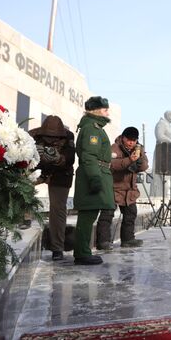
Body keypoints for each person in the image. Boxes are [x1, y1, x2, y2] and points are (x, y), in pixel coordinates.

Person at [72, 96, 115, 265]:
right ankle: (82, 253)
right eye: (105, 109)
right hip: (94, 173)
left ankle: (82, 251)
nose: (107, 112)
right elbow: (89, 155)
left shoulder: (95, 127)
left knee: (89, 215)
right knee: (87, 215)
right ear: (95, 111)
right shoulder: (92, 128)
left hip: (98, 172)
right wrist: (95, 178)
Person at [29, 116, 75, 261]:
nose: (51, 140)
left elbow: (70, 159)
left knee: (58, 209)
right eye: (48, 137)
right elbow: (24, 156)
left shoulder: (68, 136)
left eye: (55, 137)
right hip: (37, 169)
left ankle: (57, 248)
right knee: (20, 192)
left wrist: (57, 158)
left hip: (61, 174)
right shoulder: (32, 136)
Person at [96, 127, 149, 249]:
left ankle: (128, 239)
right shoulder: (114, 148)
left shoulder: (138, 149)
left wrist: (139, 157)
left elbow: (144, 166)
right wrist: (129, 159)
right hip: (113, 188)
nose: (131, 143)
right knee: (107, 215)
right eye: (128, 140)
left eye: (134, 140)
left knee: (131, 214)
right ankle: (103, 242)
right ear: (123, 138)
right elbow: (112, 165)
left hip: (129, 190)